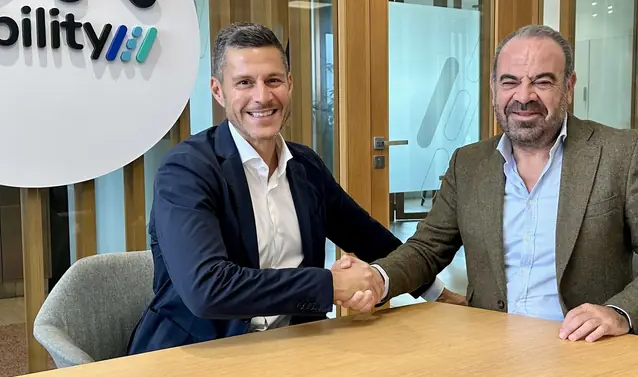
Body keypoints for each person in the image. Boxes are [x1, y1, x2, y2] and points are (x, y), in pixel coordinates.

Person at [128, 23, 453, 354]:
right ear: (218, 91)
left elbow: (369, 237)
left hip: (293, 347)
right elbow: (208, 288)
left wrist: (435, 292)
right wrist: (331, 285)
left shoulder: (304, 166)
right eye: (244, 83)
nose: (263, 96)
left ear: (290, 84)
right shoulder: (186, 170)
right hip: (198, 353)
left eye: (273, 80)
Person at [371, 24, 638, 342]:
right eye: (509, 82)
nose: (523, 96)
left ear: (568, 87)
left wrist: (619, 312)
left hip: (587, 350)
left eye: (542, 82)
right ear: (494, 88)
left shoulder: (621, 155)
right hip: (489, 348)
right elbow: (426, 250)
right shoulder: (468, 164)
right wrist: (378, 278)